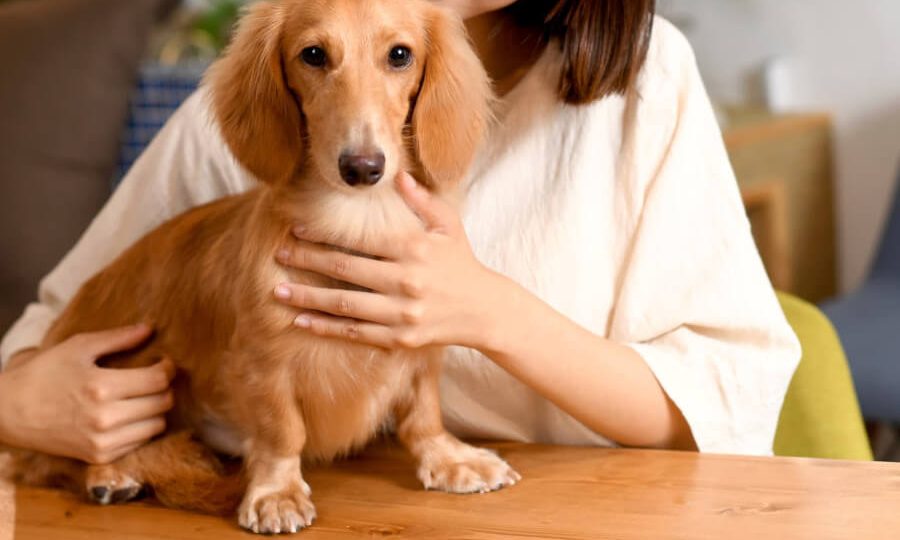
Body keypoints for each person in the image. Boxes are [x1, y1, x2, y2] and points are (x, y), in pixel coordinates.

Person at [0, 0, 801, 465]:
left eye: (396, 61)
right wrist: (16, 402)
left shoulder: (644, 81)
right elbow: (53, 329)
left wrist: (488, 312)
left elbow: (724, 402)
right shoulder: (285, 74)